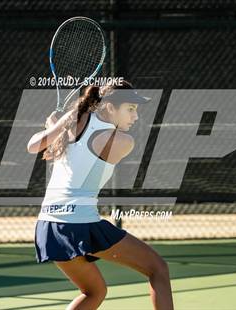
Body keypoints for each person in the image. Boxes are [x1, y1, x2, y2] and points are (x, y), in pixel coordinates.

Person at [27, 81, 174, 310]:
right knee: (158, 269)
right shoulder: (123, 141)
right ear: (109, 108)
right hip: (77, 224)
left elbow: (34, 145)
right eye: (130, 109)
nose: (135, 117)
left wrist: (57, 126)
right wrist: (61, 125)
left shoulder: (77, 122)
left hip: (48, 226)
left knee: (94, 292)